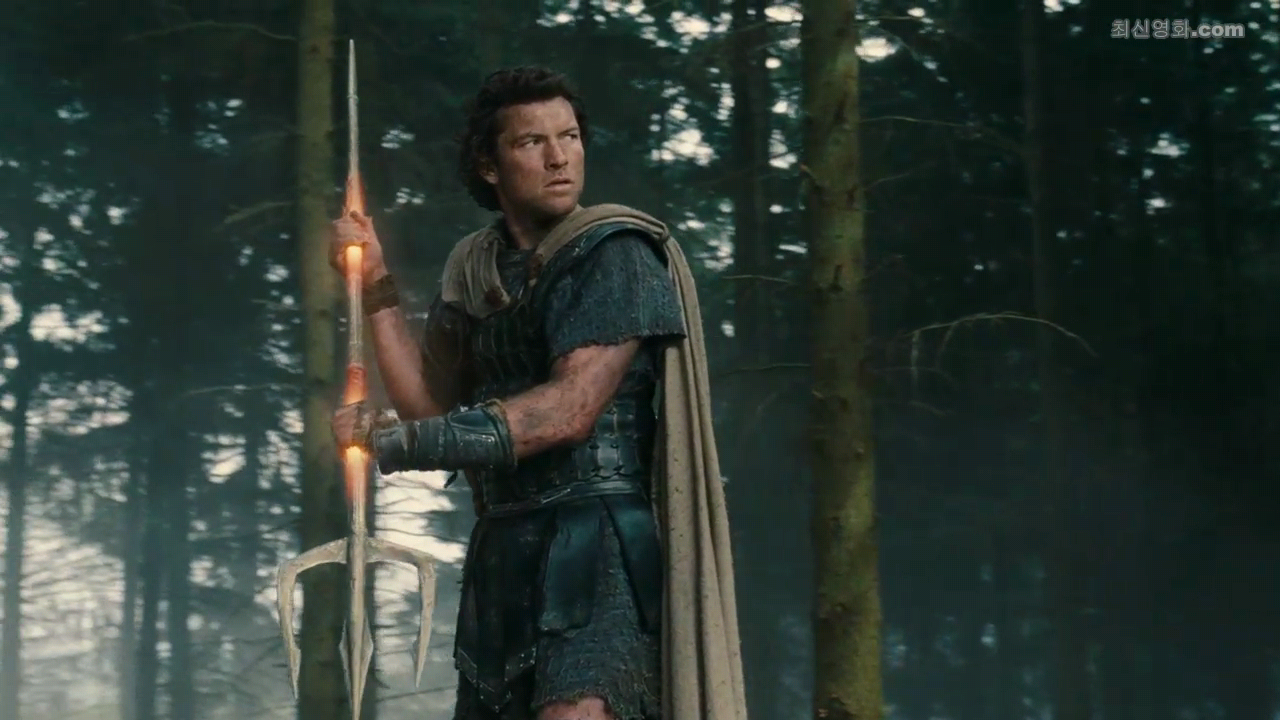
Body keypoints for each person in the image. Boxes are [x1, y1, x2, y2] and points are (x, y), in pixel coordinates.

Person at [330, 67, 746, 720]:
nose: (559, 157)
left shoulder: (616, 253)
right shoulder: (475, 267)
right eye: (532, 142)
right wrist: (376, 282)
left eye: (570, 136)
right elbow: (430, 408)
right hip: (502, 553)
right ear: (489, 166)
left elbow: (567, 411)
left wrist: (399, 443)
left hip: (597, 546)